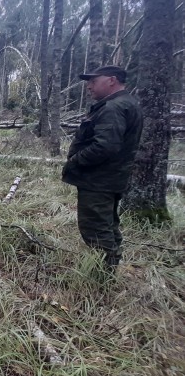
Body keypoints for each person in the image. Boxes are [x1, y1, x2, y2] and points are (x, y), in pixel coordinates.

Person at [61, 65, 143, 272]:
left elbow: (105, 146)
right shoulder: (126, 103)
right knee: (107, 226)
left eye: (93, 81)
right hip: (109, 179)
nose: (89, 86)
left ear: (111, 80)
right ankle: (110, 268)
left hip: (98, 181)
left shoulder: (113, 107)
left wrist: (75, 160)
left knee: (96, 230)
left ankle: (101, 278)